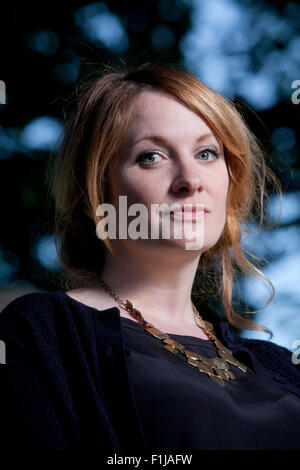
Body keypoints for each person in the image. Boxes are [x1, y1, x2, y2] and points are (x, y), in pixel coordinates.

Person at [0, 64, 300, 454]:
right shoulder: (41, 334)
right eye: (152, 157)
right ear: (95, 194)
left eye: (207, 153)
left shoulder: (277, 364)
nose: (191, 179)